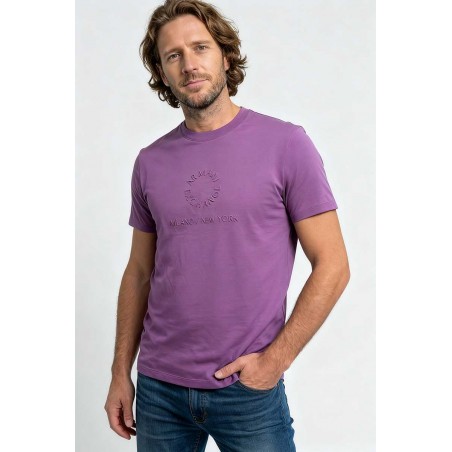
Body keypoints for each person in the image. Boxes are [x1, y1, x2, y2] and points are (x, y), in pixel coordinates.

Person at [104, 0, 350, 450]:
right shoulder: (150, 162)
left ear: (225, 54)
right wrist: (121, 371)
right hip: (159, 389)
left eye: (200, 47)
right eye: (173, 55)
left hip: (247, 390)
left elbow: (333, 265)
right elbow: (139, 272)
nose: (189, 64)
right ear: (162, 72)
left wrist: (275, 361)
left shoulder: (286, 145)